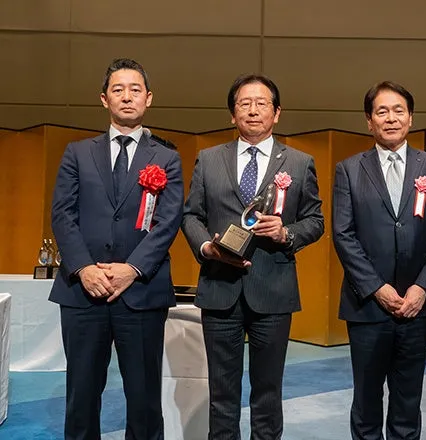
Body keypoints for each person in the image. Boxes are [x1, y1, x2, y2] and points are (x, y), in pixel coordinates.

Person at [181, 73, 324, 439]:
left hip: (273, 289)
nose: (253, 110)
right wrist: (207, 248)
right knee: (221, 394)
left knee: (268, 393)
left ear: (277, 113)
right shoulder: (208, 159)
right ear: (233, 114)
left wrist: (286, 233)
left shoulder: (299, 162)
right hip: (220, 287)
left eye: (262, 103)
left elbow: (315, 220)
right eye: (244, 103)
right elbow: (191, 215)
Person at [49, 58, 184, 440]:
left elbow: (168, 221)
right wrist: (84, 268)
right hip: (83, 292)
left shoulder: (166, 157)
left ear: (148, 98)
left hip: (141, 291)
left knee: (144, 399)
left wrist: (131, 269)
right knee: (81, 395)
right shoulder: (77, 153)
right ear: (104, 99)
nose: (127, 97)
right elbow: (62, 215)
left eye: (135, 90)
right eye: (118, 90)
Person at [332, 81, 426, 440]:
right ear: (369, 121)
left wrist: (422, 287)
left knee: (408, 400)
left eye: (398, 110)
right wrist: (376, 288)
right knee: (366, 400)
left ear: (411, 118)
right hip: (368, 305)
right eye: (382, 111)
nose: (391, 118)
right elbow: (343, 234)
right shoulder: (349, 169)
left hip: (418, 305)